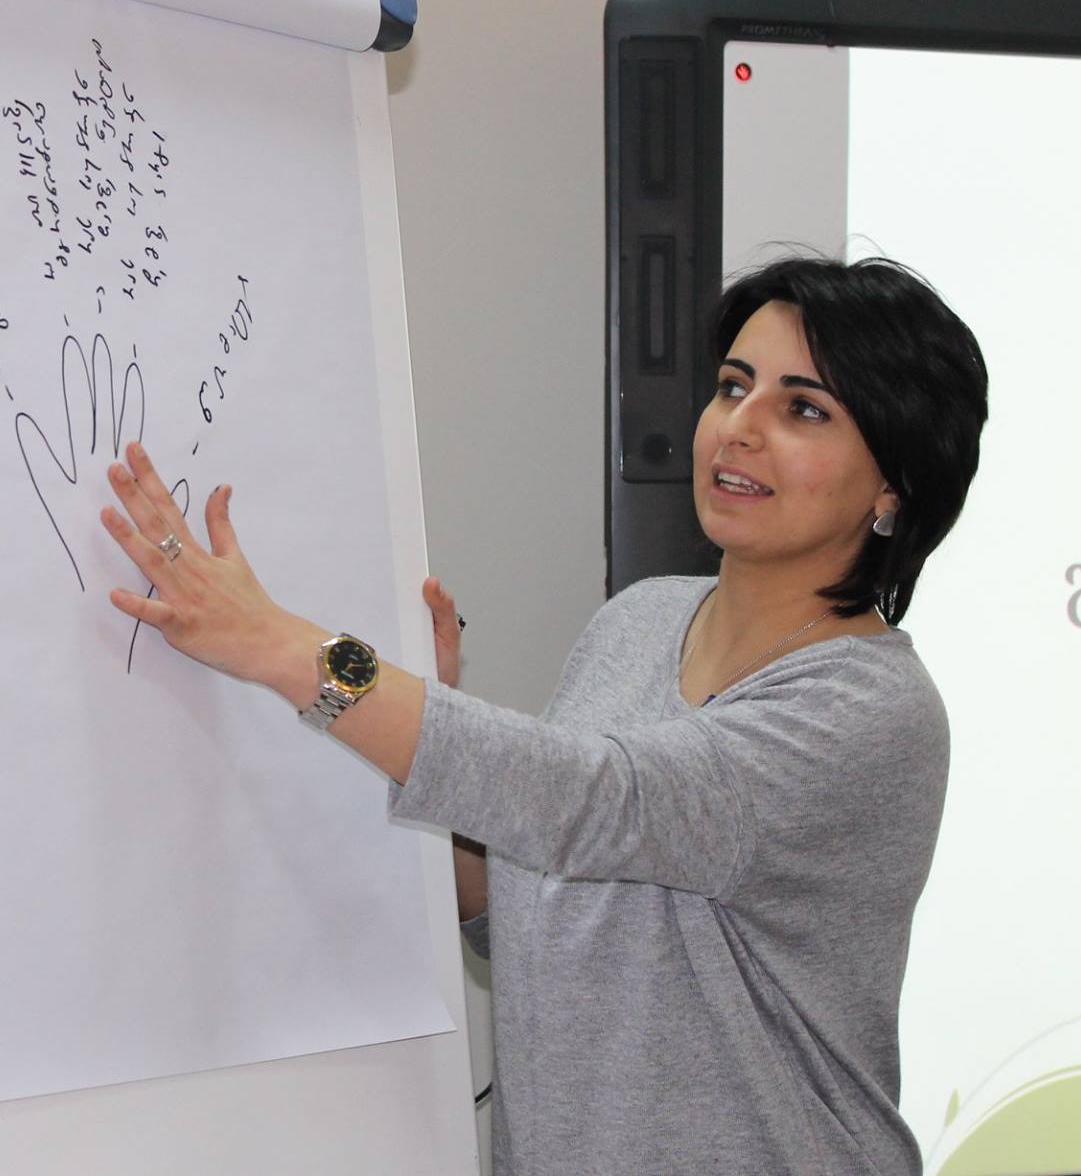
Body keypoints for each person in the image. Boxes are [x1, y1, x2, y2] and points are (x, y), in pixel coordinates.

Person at [96, 255, 989, 1175]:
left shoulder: (871, 710)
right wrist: (415, 733)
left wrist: (286, 647)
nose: (740, 427)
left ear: (894, 486)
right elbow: (526, 900)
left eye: (803, 409)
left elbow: (594, 802)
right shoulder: (638, 621)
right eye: (733, 386)